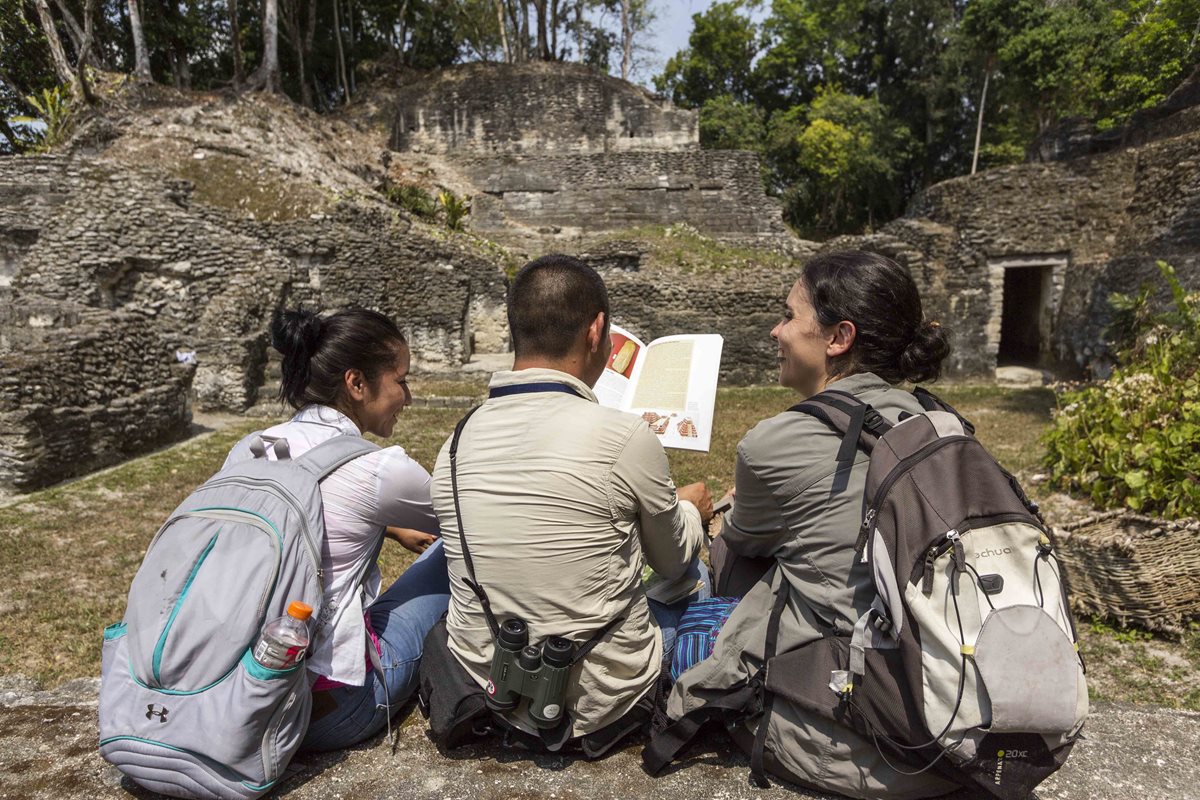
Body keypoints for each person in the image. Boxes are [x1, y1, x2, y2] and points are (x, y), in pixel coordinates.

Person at [664, 251, 960, 799]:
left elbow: (739, 546)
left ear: (838, 337)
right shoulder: (943, 425)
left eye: (788, 315)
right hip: (959, 721)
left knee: (724, 568)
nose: (776, 331)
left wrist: (724, 514)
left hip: (869, 746)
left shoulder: (774, 442)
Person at [426, 254, 714, 756]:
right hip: (603, 702)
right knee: (697, 580)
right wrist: (691, 512)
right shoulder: (626, 436)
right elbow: (671, 560)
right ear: (598, 330)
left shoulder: (455, 443)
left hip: (488, 685)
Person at [222, 307, 450, 751]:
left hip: (241, 695)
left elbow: (309, 507)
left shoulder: (249, 448)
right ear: (356, 383)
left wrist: (387, 527)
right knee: (446, 556)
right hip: (330, 711)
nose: (409, 396)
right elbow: (475, 524)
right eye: (400, 380)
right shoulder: (378, 467)